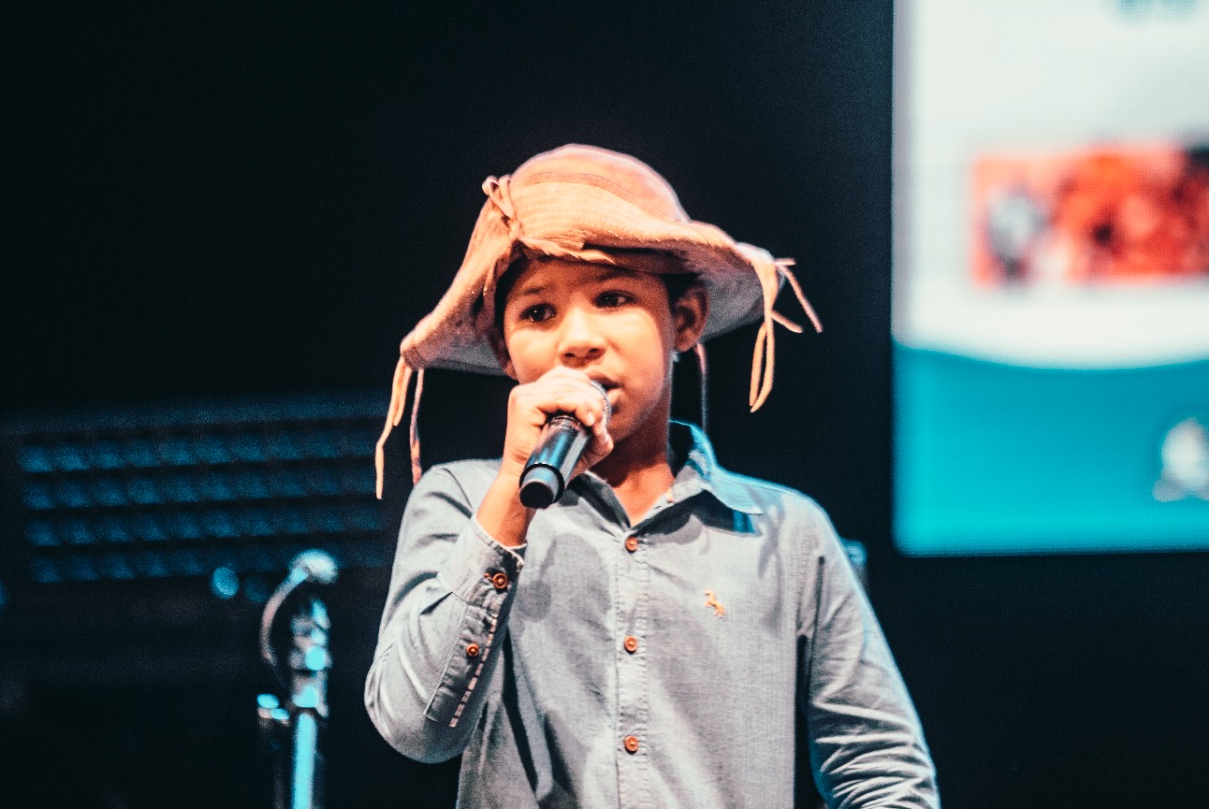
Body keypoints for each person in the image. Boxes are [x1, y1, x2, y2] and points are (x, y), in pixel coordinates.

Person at [365, 144, 939, 808]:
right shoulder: (462, 500)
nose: (577, 340)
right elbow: (415, 728)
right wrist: (512, 499)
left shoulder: (786, 533)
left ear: (684, 320)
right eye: (538, 313)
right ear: (505, 351)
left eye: (612, 297)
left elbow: (882, 770)